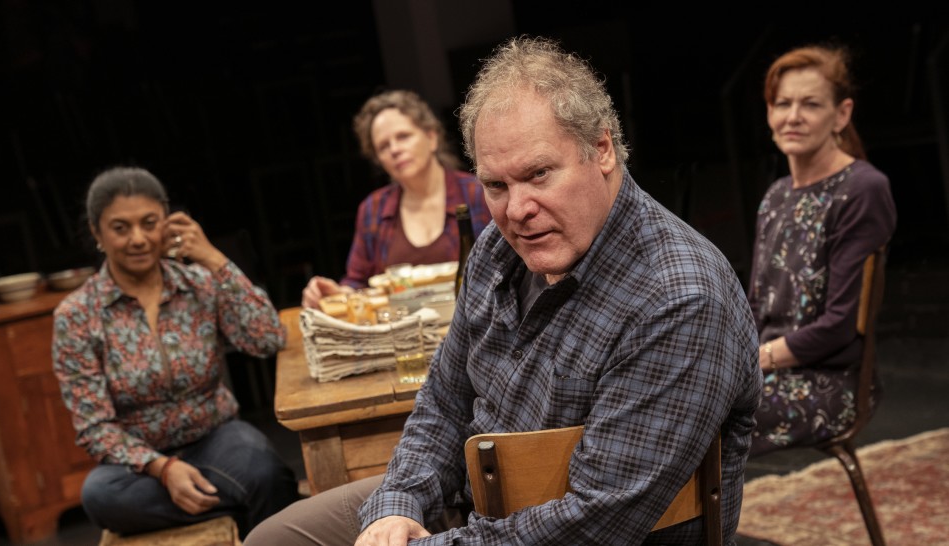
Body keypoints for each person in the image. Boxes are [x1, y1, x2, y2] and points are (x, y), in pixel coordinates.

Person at [247, 36, 762, 545]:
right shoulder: (499, 249)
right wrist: (397, 504)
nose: (516, 209)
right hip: (478, 505)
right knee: (273, 540)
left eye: (539, 174)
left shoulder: (679, 299)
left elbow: (596, 522)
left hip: (566, 535)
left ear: (601, 149)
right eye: (496, 186)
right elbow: (445, 399)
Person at [52, 166, 299, 538]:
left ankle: (251, 500)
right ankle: (252, 504)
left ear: (168, 223)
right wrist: (163, 469)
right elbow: (93, 426)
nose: (138, 239)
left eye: (150, 223)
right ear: (96, 232)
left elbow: (267, 338)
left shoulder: (197, 283)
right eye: (121, 228)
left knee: (265, 469)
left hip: (216, 437)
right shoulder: (77, 315)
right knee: (100, 496)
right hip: (137, 463)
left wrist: (214, 259)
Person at [747, 44, 897, 456]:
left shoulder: (862, 190)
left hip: (830, 384)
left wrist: (751, 361)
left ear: (842, 114)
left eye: (810, 104)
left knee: (690, 414)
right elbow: (755, 307)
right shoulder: (777, 196)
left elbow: (839, 327)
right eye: (782, 104)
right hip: (765, 370)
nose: (792, 117)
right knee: (662, 398)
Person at [301, 89, 491, 308]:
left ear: (431, 137)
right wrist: (334, 294)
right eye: (383, 146)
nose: (395, 149)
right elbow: (357, 283)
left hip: (476, 327)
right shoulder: (373, 208)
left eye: (403, 136)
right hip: (402, 336)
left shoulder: (477, 193)